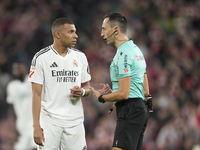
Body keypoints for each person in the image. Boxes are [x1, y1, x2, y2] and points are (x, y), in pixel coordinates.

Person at [28, 18, 91, 150]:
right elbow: (36, 94)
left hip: (75, 121)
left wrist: (83, 91)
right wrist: (36, 126)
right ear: (58, 34)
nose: (76, 35)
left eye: (75, 32)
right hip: (50, 121)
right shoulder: (41, 58)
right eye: (71, 32)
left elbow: (87, 87)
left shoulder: (80, 57)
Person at [90, 12, 149, 150]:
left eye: (104, 29)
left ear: (115, 29)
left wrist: (102, 98)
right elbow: (145, 90)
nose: (102, 34)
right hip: (139, 110)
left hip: (129, 110)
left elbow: (124, 94)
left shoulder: (123, 54)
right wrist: (115, 91)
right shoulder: (136, 50)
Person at [6, 62, 37, 150]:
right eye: (14, 69)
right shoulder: (11, 86)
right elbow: (12, 108)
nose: (16, 71)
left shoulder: (33, 82)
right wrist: (14, 126)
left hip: (35, 123)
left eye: (18, 68)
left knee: (36, 146)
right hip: (21, 125)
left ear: (24, 68)